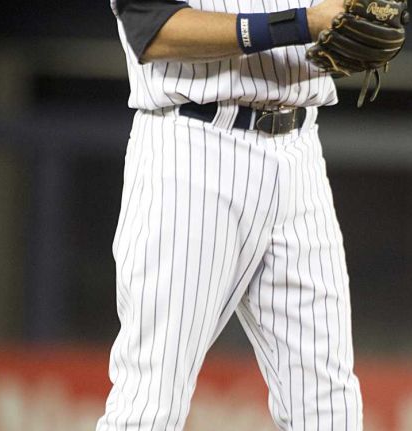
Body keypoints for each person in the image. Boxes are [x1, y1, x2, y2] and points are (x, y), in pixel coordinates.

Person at [97, 0, 363, 428]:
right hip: (193, 147)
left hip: (299, 149)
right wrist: (299, 24)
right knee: (151, 403)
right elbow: (153, 29)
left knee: (328, 408)